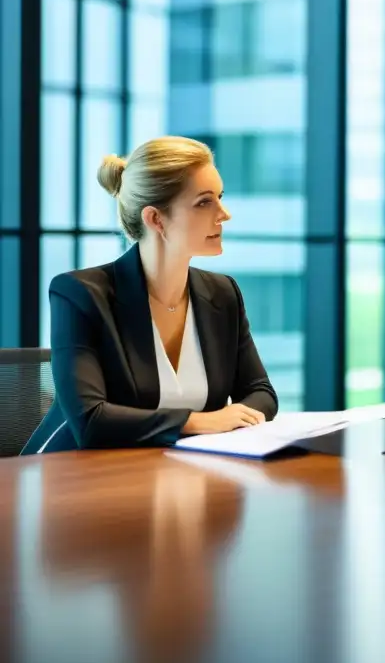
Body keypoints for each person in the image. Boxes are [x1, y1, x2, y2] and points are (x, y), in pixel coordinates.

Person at [22, 136, 278, 454]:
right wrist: (198, 422)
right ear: (156, 218)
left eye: (220, 197)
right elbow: (92, 421)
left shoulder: (222, 293)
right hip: (77, 479)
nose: (224, 214)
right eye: (204, 202)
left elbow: (260, 392)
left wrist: (228, 419)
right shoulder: (81, 294)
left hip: (178, 473)